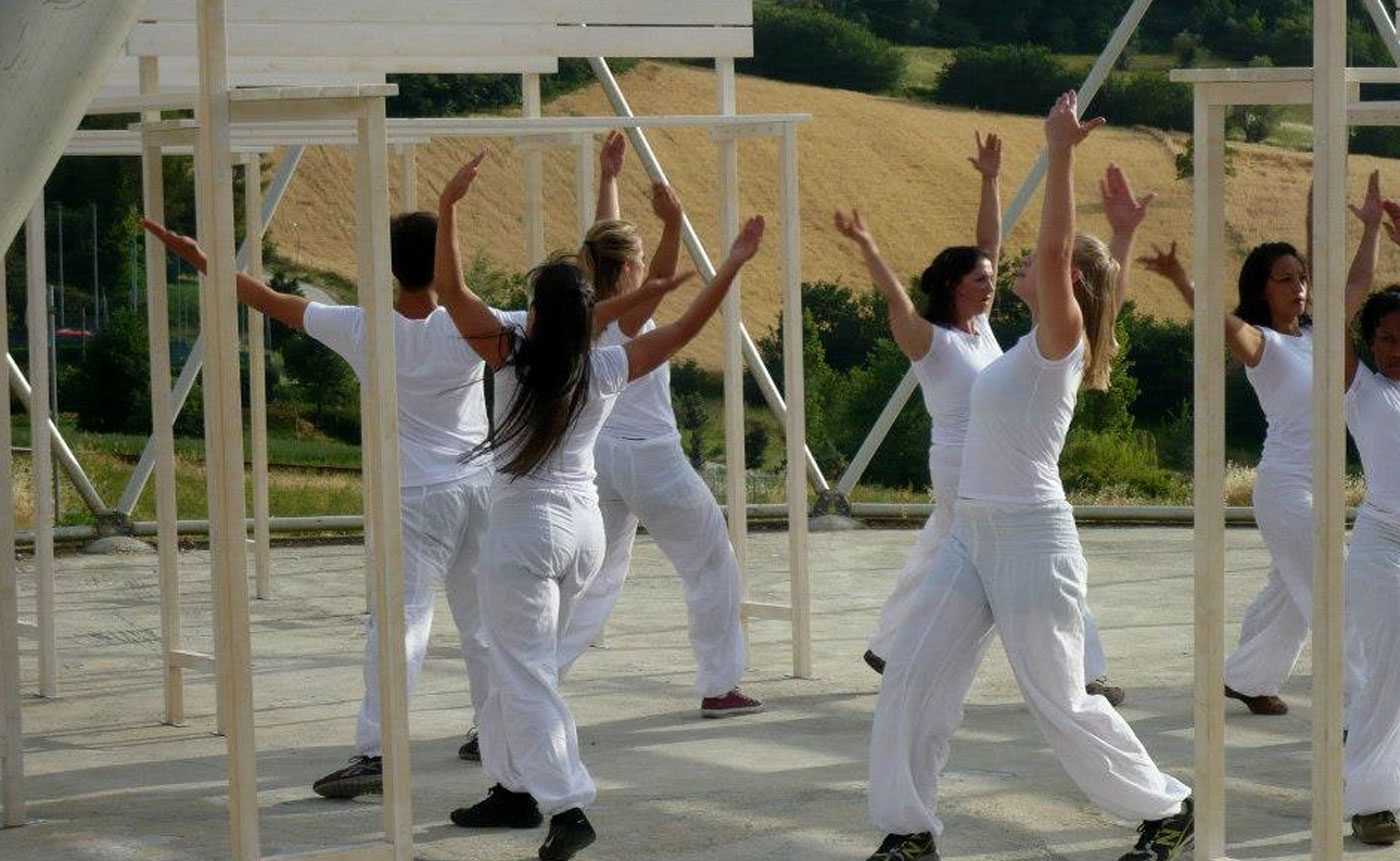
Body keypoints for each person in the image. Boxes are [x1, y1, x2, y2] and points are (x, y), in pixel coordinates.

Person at [862, 93, 1192, 861]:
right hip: (971, 534)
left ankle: (1168, 808)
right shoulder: (1018, 346)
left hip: (1031, 539)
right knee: (912, 675)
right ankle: (909, 831)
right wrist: (1120, 236)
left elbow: (1056, 260)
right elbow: (1088, 280)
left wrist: (1060, 153)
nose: (1013, 265)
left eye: (1039, 264)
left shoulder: (1057, 338)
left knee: (1061, 701)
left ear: (1064, 285)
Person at [432, 151, 765, 860]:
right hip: (580, 527)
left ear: (533, 311)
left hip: (523, 532)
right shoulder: (606, 362)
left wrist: (451, 207)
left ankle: (567, 802)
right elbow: (683, 326)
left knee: (523, 671)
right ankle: (510, 787)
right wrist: (729, 266)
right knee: (514, 663)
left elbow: (449, 287)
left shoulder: (508, 353)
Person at [141, 213, 497, 800]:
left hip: (413, 496)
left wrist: (204, 260)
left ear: (389, 267)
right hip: (478, 488)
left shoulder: (362, 327)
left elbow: (271, 300)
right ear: (447, 265)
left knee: (399, 622)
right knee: (483, 622)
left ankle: (379, 750)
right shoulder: (472, 329)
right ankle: (496, 730)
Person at [837, 133, 1150, 707]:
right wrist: (868, 246)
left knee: (943, 552)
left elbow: (997, 248)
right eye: (978, 279)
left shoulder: (987, 332)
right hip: (965, 463)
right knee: (996, 564)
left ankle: (890, 647)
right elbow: (904, 300)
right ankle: (1082, 672)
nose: (993, 279)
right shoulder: (934, 340)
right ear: (953, 286)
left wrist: (990, 180)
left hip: (993, 462)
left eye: (993, 276)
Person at [1138, 173, 1382, 716]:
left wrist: (1368, 229)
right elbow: (1221, 323)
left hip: (1324, 487)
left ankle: (1249, 676)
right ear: (1262, 288)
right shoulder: (1264, 343)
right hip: (1287, 490)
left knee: (1288, 596)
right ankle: (1360, 705)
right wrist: (1183, 281)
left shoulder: (1322, 335)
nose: (1297, 286)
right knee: (1334, 592)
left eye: (1300, 277)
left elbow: (1357, 285)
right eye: (1284, 279)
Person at [554, 131, 761, 718]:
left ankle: (531, 686)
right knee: (711, 563)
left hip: (599, 459)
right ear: (631, 268)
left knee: (595, 580)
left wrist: (610, 179)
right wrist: (674, 225)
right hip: (651, 458)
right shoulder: (629, 312)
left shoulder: (582, 308)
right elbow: (655, 277)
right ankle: (720, 685)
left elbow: (603, 249)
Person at [1342, 190, 1400, 839]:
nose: (1395, 350)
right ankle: (1372, 800)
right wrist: (1369, 238)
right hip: (1384, 541)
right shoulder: (1362, 387)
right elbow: (1338, 309)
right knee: (1387, 666)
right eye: (1385, 339)